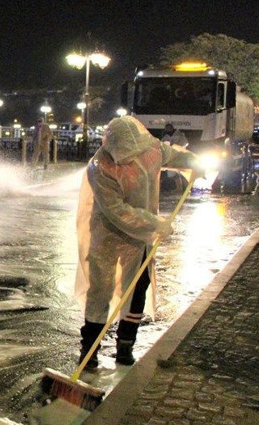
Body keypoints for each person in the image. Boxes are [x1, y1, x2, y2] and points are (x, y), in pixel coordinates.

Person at [75, 116, 200, 369]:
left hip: (139, 239)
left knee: (137, 289)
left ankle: (125, 346)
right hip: (107, 235)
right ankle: (89, 351)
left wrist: (196, 163)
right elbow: (116, 211)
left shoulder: (151, 151)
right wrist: (154, 223)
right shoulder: (99, 167)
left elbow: (175, 156)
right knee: (100, 290)